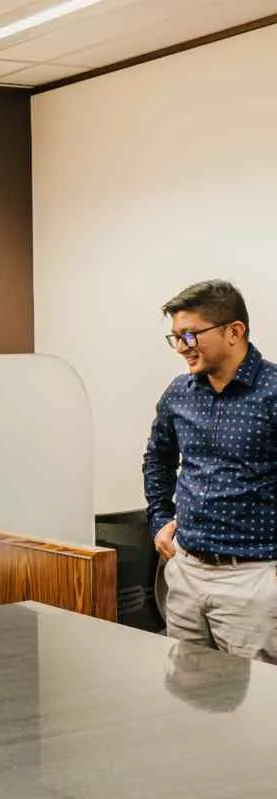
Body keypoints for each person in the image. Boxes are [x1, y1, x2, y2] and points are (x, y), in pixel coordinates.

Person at [143, 279, 277, 660]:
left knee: (261, 711)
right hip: (186, 571)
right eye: (176, 337)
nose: (182, 347)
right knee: (188, 704)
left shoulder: (272, 393)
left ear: (235, 331)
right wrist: (160, 519)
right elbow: (158, 459)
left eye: (190, 335)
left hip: (254, 578)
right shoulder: (179, 393)